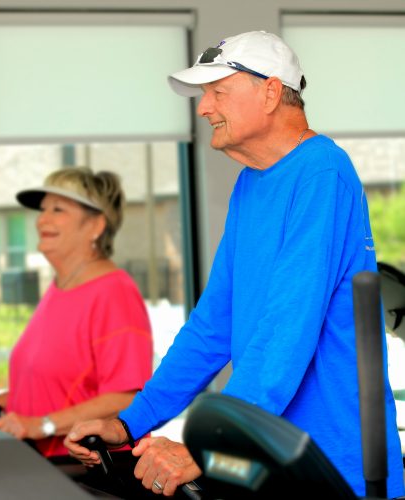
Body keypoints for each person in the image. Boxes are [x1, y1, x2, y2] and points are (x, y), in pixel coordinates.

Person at [63, 30, 404, 498]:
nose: (204, 108)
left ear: (269, 92)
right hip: (268, 460)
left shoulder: (322, 172)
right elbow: (213, 325)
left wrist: (206, 447)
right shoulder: (252, 184)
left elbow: (287, 328)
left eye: (217, 91)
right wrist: (130, 421)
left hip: (333, 466)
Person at [0, 166, 153, 459]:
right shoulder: (60, 289)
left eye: (58, 209)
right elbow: (51, 388)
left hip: (89, 469)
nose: (42, 220)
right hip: (42, 461)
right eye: (43, 209)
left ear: (96, 225)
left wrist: (43, 425)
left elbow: (126, 396)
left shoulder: (114, 292)